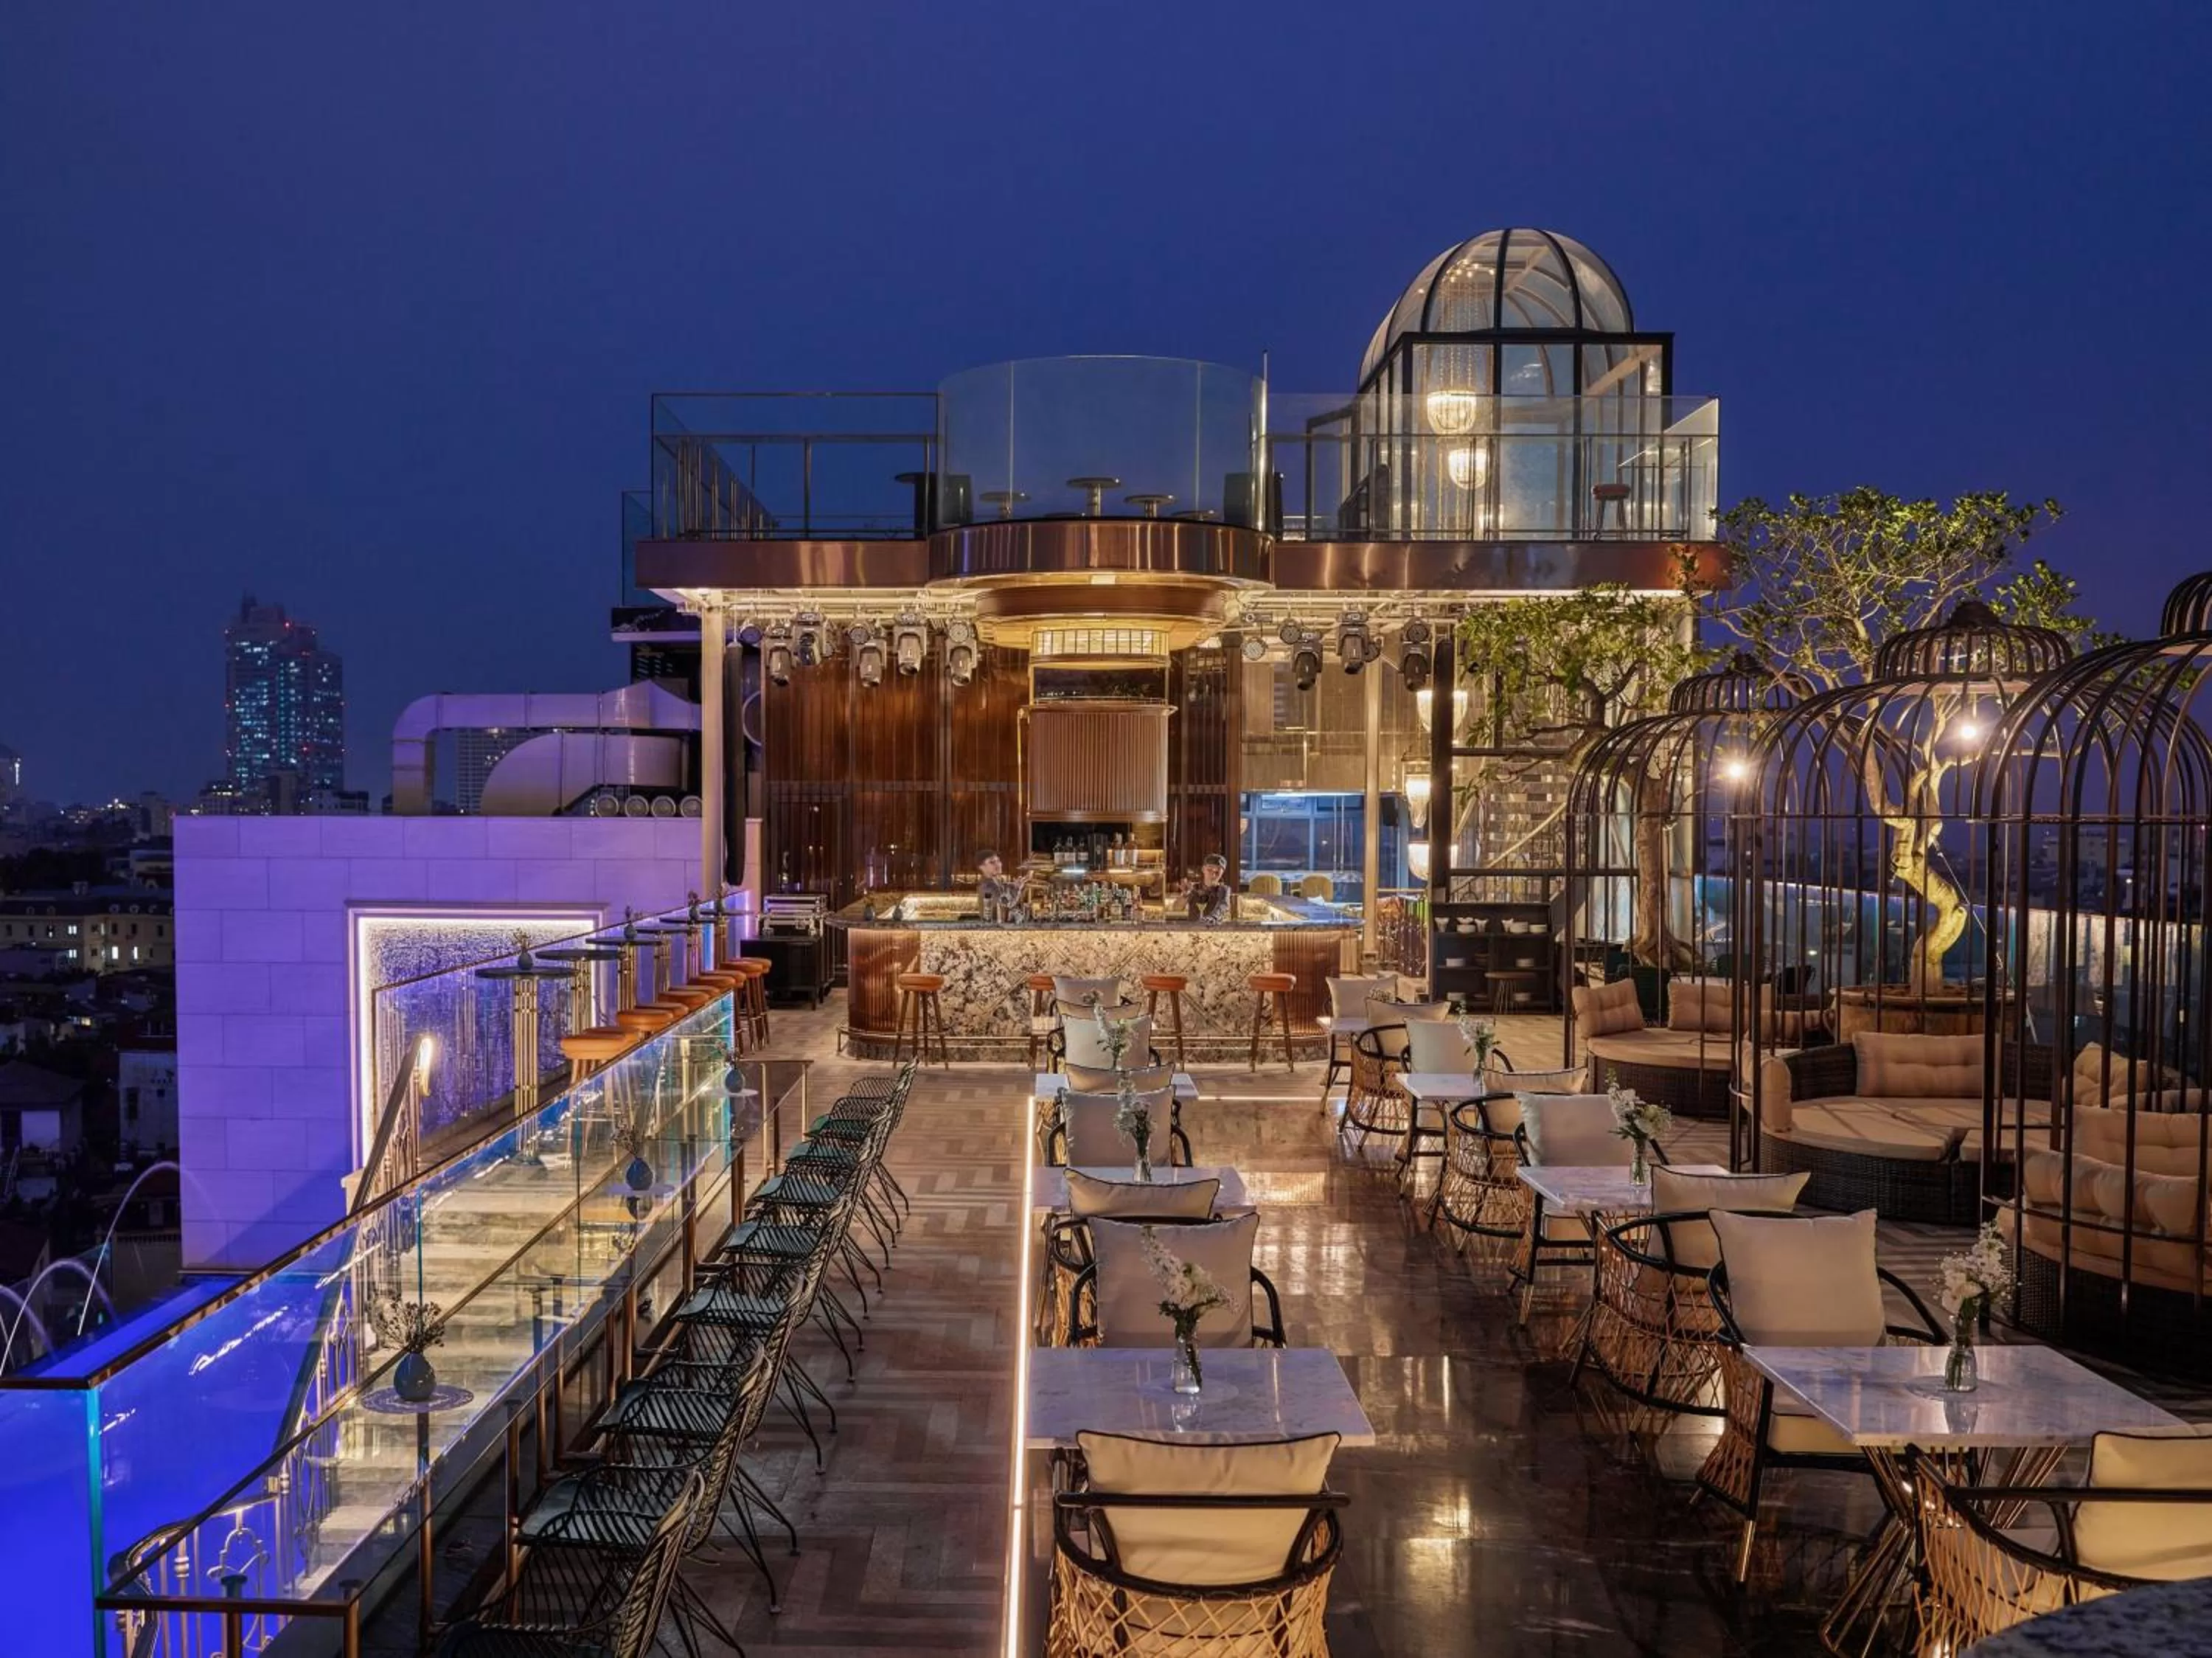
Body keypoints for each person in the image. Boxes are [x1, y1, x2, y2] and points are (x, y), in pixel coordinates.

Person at [1179, 854, 1232, 923]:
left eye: (1217, 872)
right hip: (1193, 929)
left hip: (1213, 929)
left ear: (1222, 873)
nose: (1213, 875)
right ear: (1203, 869)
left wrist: (1213, 917)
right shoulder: (1194, 888)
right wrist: (1185, 895)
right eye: (1210, 870)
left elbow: (1223, 905)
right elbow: (1177, 908)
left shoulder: (1224, 890)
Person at [975, 850, 1022, 921]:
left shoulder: (998, 881)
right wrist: (1017, 888)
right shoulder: (986, 886)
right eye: (992, 862)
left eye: (998, 861)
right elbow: (1006, 904)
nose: (998, 865)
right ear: (981, 867)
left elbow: (1006, 888)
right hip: (992, 927)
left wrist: (1016, 886)